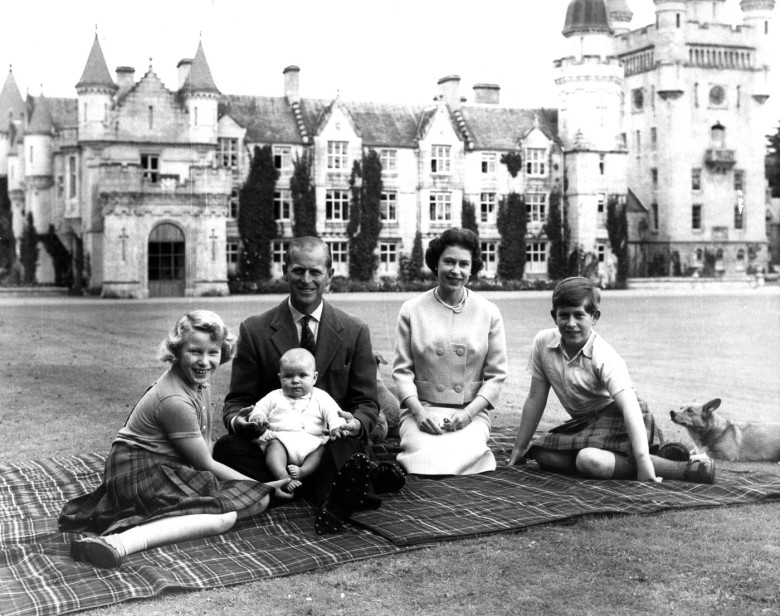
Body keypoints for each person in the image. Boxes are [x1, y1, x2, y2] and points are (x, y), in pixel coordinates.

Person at [58, 310, 291, 569]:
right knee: (229, 514)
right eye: (195, 352)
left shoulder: (199, 382)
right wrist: (265, 485)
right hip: (137, 470)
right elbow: (206, 464)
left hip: (166, 466)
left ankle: (150, 524)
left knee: (252, 501)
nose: (204, 362)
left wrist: (254, 488)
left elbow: (205, 445)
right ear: (177, 351)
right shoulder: (174, 400)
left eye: (212, 352)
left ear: (222, 352)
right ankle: (119, 542)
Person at [213, 236, 406, 534]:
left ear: (330, 276)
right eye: (298, 271)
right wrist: (243, 423)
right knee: (226, 449)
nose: (306, 280)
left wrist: (355, 424)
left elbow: (367, 403)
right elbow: (237, 402)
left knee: (348, 445)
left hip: (327, 444)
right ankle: (341, 488)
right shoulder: (254, 330)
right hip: (273, 447)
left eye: (315, 272)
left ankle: (294, 488)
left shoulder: (355, 330)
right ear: (284, 271)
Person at [507, 277, 716, 484]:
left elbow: (630, 408)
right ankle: (651, 456)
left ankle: (685, 468)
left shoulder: (604, 355)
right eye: (564, 315)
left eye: (579, 315)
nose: (571, 323)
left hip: (620, 417)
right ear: (554, 316)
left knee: (588, 460)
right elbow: (535, 398)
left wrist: (643, 463)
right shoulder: (543, 343)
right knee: (541, 453)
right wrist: (518, 449)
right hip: (583, 424)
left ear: (594, 317)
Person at [392, 227, 508, 475]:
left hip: (470, 412)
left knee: (462, 456)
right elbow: (402, 373)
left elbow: (497, 376)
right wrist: (419, 413)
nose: (456, 271)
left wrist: (468, 414)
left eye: (464, 264)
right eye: (449, 262)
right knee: (426, 459)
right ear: (436, 264)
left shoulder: (488, 312)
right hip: (422, 410)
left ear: (471, 268)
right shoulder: (411, 310)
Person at [248, 348, 347, 492]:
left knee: (320, 452)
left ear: (314, 377)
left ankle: (303, 472)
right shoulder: (274, 396)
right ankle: (283, 476)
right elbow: (259, 409)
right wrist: (258, 417)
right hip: (282, 439)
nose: (295, 381)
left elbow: (333, 413)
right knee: (273, 447)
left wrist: (336, 427)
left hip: (312, 441)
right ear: (280, 377)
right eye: (288, 376)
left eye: (302, 375)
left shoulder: (321, 397)